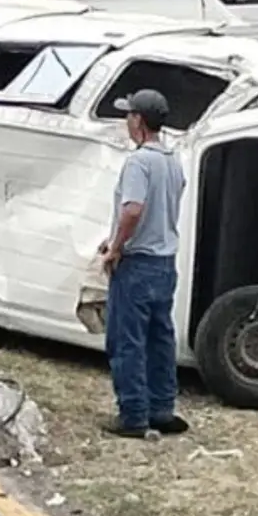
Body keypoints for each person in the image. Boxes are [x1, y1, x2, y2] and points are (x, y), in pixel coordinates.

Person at [100, 89, 188, 438]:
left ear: (138, 120)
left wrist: (115, 247)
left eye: (128, 115)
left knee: (127, 340)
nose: (126, 121)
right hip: (165, 261)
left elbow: (133, 209)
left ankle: (134, 414)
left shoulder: (139, 162)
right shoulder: (172, 160)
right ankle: (161, 408)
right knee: (159, 337)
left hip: (137, 263)